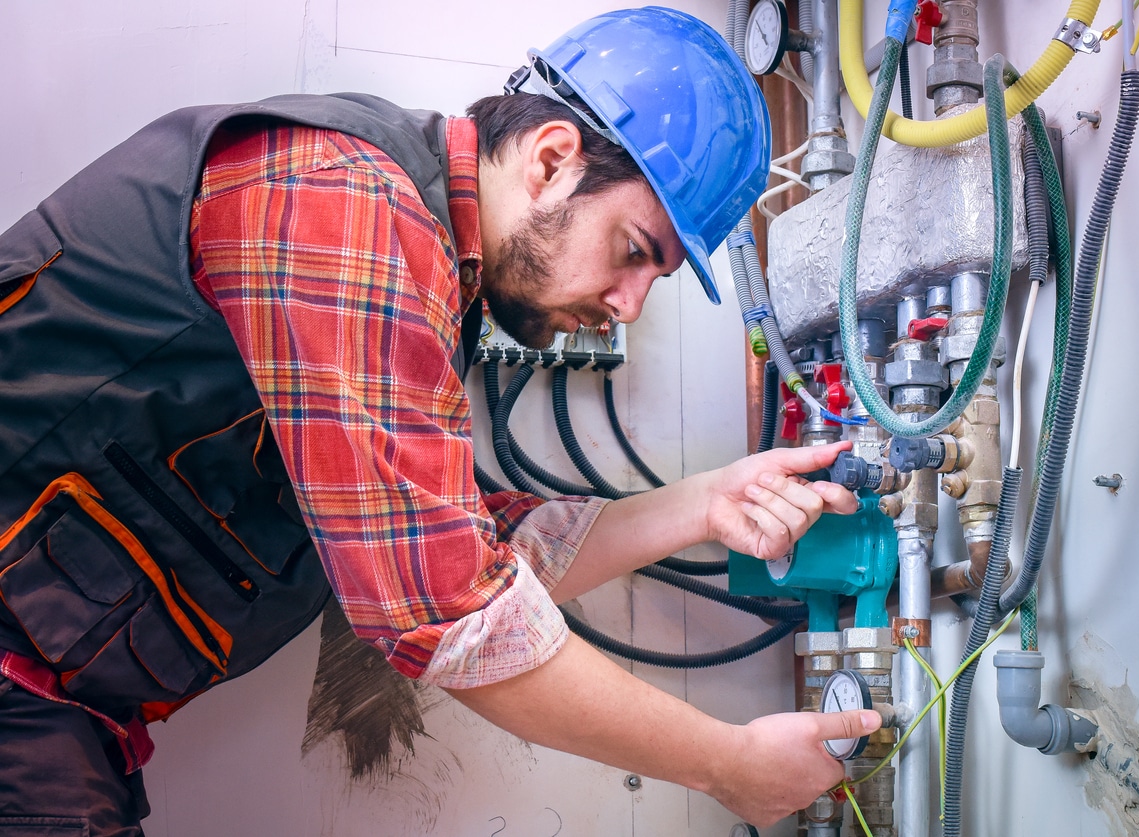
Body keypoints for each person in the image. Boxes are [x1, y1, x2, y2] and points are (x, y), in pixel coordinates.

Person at [0, 6, 880, 833]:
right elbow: (450, 614)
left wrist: (704, 503)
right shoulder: (347, 207)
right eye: (632, 253)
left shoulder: (422, 278)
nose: (630, 306)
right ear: (551, 159)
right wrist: (727, 764)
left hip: (50, 709)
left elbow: (454, 550)